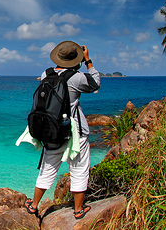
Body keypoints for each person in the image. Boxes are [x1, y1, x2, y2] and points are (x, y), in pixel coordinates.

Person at [24, 41, 100, 219]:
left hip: (51, 130)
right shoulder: (77, 77)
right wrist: (88, 61)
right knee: (79, 169)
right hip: (75, 132)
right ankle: (78, 210)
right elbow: (96, 83)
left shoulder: (45, 74)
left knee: (47, 168)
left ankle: (34, 206)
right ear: (76, 59)